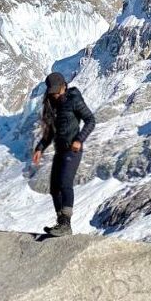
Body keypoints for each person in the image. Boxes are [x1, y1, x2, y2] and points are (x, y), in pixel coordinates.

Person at [31, 71, 95, 236]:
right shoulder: (52, 105)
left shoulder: (74, 99)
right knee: (54, 189)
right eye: (52, 92)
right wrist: (40, 148)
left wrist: (79, 139)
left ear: (64, 87)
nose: (55, 95)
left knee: (65, 183)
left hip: (73, 150)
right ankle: (61, 224)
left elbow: (90, 120)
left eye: (57, 91)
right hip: (60, 151)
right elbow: (50, 133)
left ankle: (66, 224)